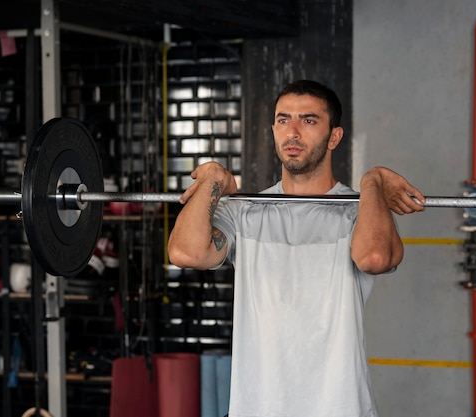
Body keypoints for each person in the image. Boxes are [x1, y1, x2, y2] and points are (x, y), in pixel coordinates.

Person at [168, 80, 426, 417]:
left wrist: (372, 182)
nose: (292, 132)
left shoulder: (358, 212)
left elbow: (374, 258)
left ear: (334, 136)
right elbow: (185, 253)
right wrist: (213, 178)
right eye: (283, 119)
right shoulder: (247, 212)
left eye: (308, 120)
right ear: (273, 128)